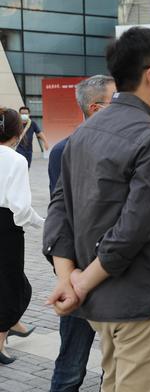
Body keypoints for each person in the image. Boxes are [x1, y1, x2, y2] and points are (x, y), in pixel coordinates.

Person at [43, 26, 150, 392]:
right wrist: (78, 283)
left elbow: (60, 208)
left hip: (101, 306)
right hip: (140, 304)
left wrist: (67, 279)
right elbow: (132, 229)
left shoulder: (83, 133)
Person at [47, 74, 115, 392]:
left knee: (114, 364)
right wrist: (69, 274)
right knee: (71, 364)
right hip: (78, 271)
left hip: (113, 272)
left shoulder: (124, 146)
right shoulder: (66, 150)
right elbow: (62, 216)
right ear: (96, 108)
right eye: (118, 101)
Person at [0, 107, 44, 365]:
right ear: (18, 132)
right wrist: (42, 223)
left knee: (12, 281)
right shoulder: (16, 160)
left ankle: (14, 323)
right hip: (6, 227)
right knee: (12, 284)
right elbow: (21, 207)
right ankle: (2, 337)